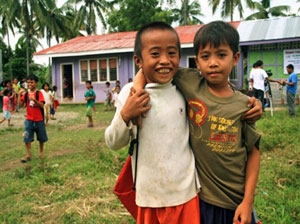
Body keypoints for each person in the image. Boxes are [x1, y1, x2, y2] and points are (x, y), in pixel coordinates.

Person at [134, 21, 263, 224]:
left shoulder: (243, 105)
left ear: (235, 58)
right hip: (201, 199)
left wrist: (248, 202)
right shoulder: (190, 82)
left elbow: (253, 153)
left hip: (236, 201)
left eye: (221, 55)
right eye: (205, 56)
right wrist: (138, 87)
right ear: (197, 60)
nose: (213, 63)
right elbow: (151, 67)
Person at [105, 21, 201, 224]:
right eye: (155, 54)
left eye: (172, 53)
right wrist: (126, 114)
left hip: (186, 193)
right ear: (138, 60)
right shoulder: (130, 95)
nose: (165, 61)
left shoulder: (186, 90)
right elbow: (113, 142)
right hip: (149, 195)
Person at [18, 75, 48, 163]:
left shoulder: (39, 93)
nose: (29, 84)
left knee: (41, 137)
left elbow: (42, 105)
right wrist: (19, 95)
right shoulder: (26, 94)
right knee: (26, 136)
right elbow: (19, 105)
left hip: (39, 120)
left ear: (36, 83)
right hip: (29, 120)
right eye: (28, 82)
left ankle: (41, 152)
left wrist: (35, 100)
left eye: (32, 82)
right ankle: (28, 154)